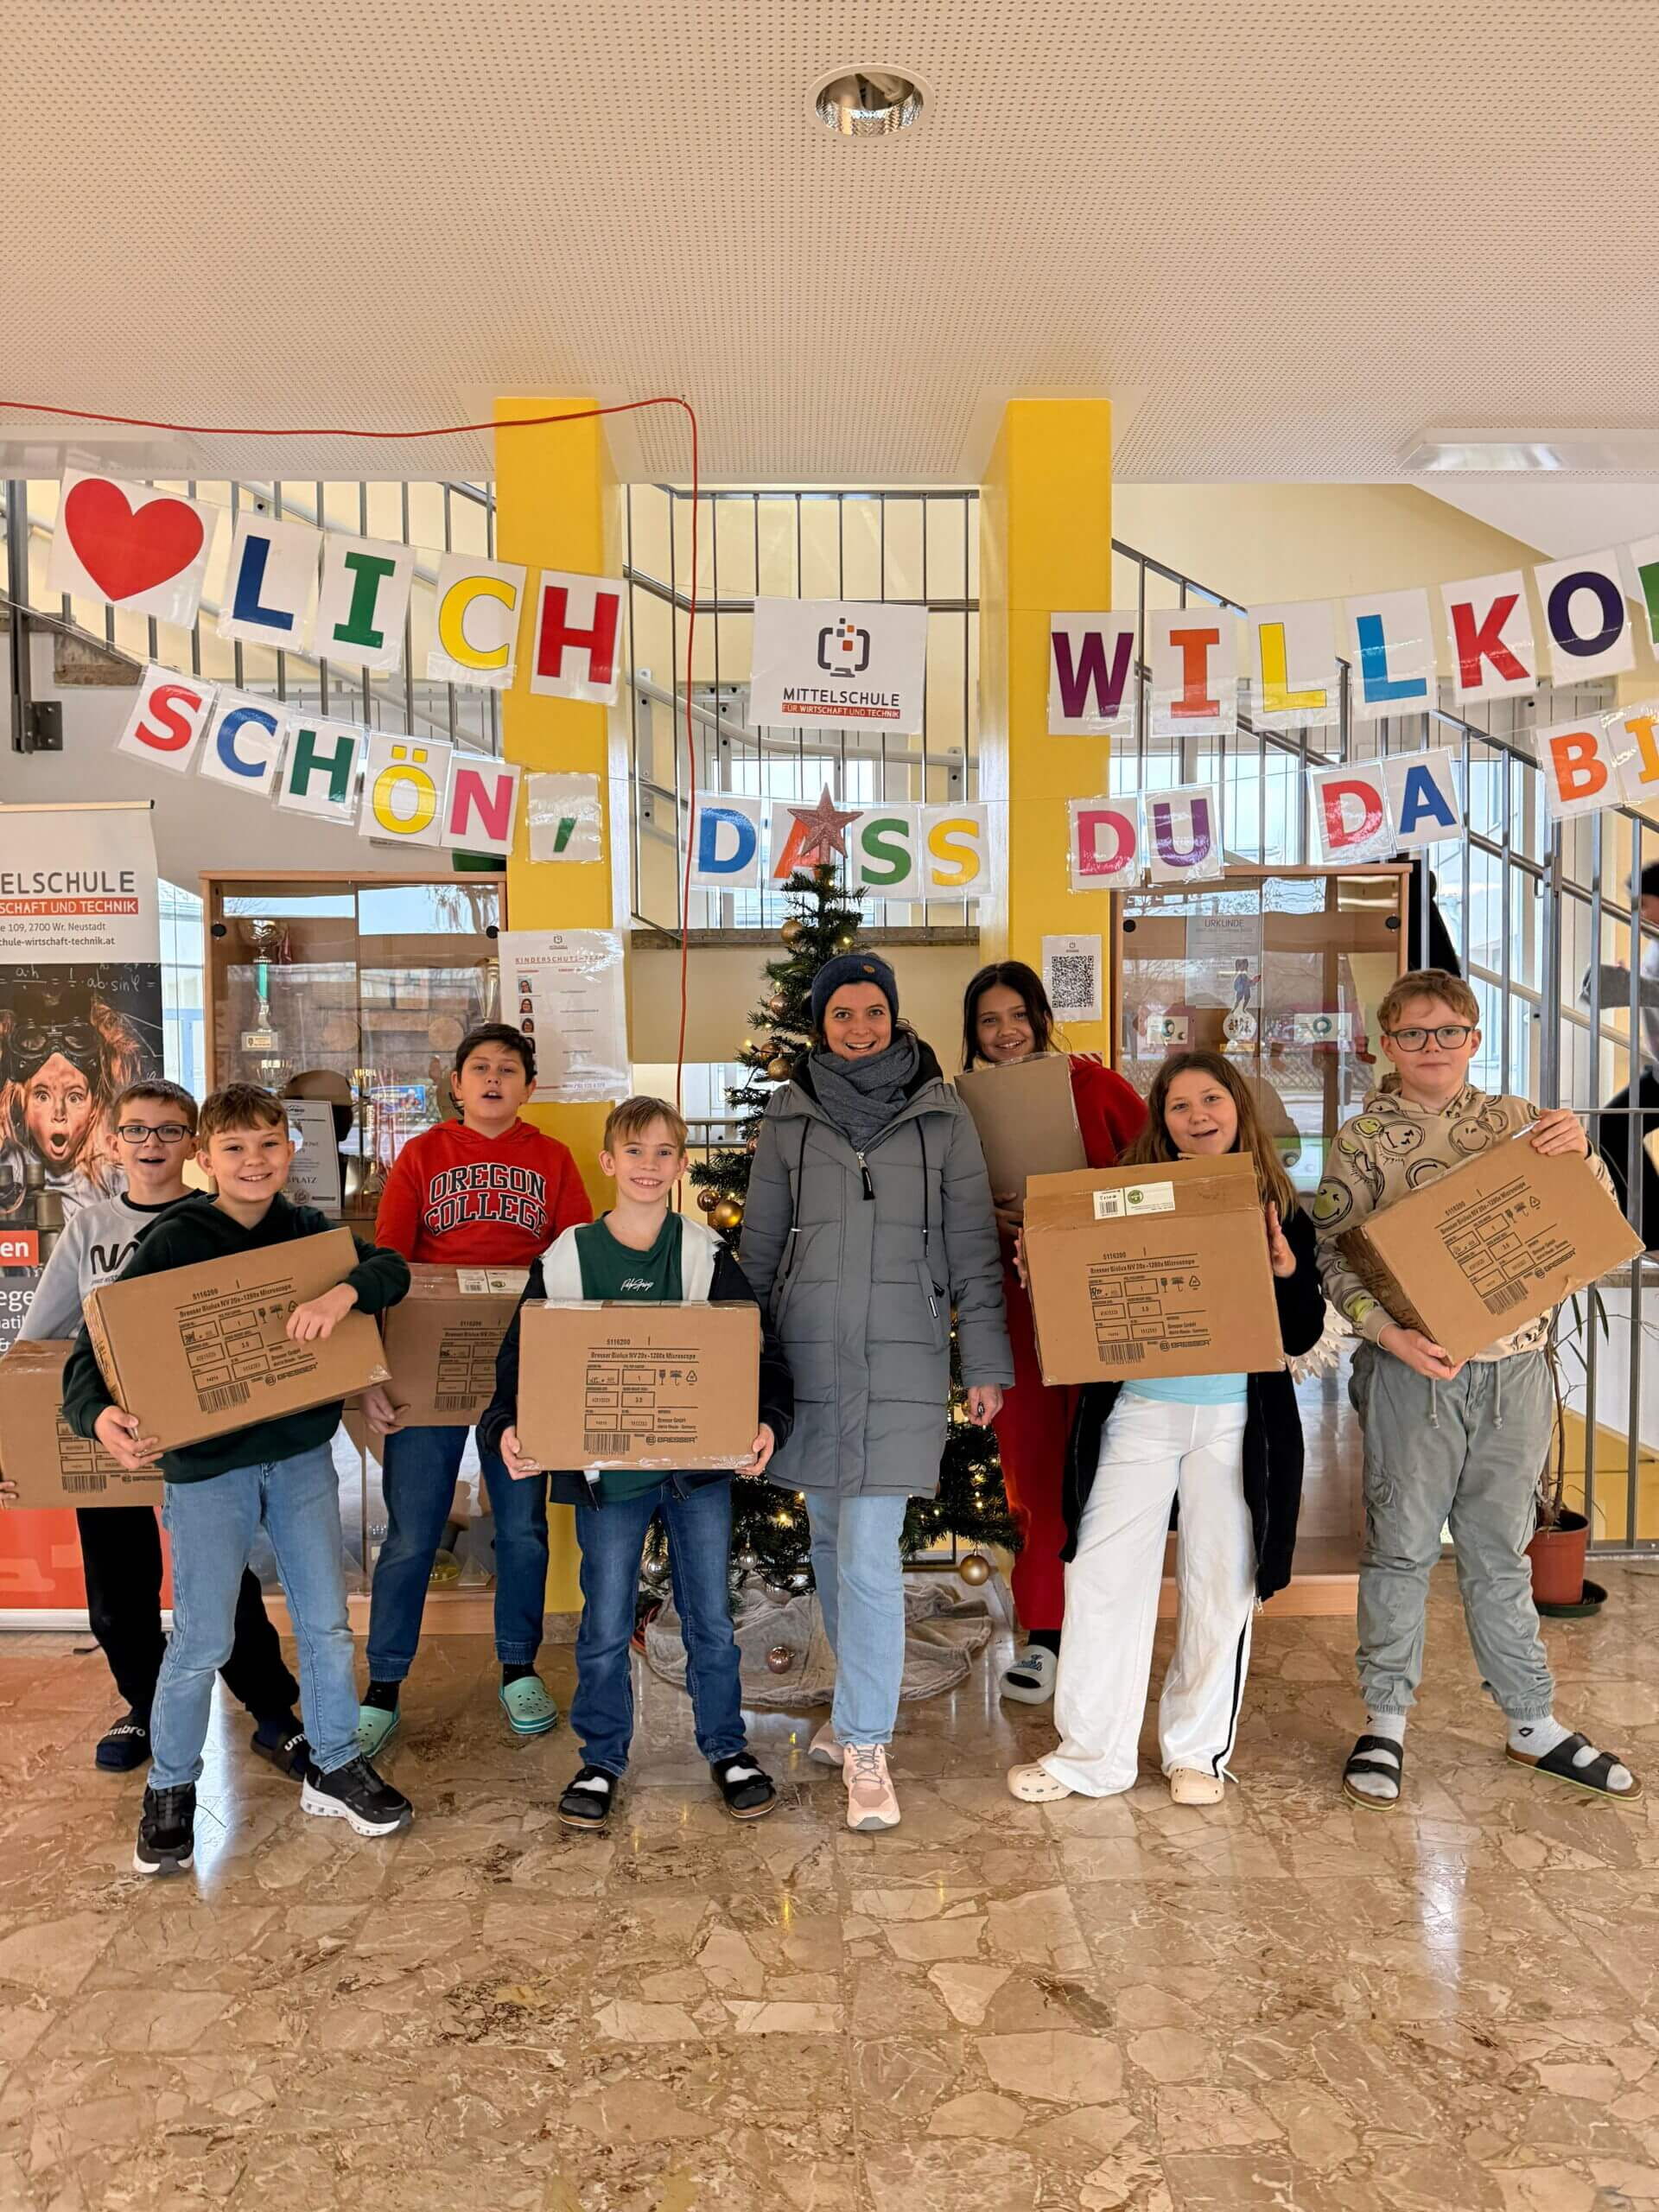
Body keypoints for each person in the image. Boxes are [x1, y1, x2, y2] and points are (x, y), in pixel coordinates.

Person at [60, 1083, 413, 1877]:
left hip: (300, 1459)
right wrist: (97, 1415)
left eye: (269, 1145)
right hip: (207, 1472)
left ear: (291, 1151)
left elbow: (389, 1269)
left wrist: (343, 1294)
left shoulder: (307, 1231)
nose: (254, 1161)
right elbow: (96, 1345)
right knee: (201, 1638)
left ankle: (334, 1763)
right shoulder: (175, 1240)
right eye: (235, 1148)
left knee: (326, 1624)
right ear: (205, 1158)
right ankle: (171, 1786)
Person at [1314, 969, 1643, 1809]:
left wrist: (1583, 1154)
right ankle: (1385, 1722)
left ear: (1475, 1038)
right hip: (1411, 1374)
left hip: (1517, 1371)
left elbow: (1590, 1215)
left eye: (1449, 1031)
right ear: (1387, 1045)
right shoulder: (1362, 1140)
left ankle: (1531, 1719)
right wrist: (1387, 1335)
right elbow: (1333, 1258)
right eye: (1413, 1033)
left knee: (1500, 1552)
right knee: (1400, 1548)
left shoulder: (1522, 1123)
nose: (1432, 1046)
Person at [1007, 1051, 1325, 1807]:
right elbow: (1082, 1307)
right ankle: (1092, 1757)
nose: (1198, 1116)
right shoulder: (1124, 1196)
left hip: (1236, 1423)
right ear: (1162, 1120)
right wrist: (1044, 1272)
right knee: (1101, 1578)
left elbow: (1304, 1334)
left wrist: (1285, 1271)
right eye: (1180, 1106)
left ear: (1238, 1107)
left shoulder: (1279, 1206)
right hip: (1139, 1413)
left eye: (1212, 1099)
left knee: (1221, 1586)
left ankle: (1197, 1754)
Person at [739, 952, 1011, 1834]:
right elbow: (758, 1248)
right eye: (842, 1014)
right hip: (808, 1358)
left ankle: (865, 1742)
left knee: (866, 1553)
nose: (859, 1028)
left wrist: (984, 1363)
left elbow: (973, 1249)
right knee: (828, 1541)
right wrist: (742, 1366)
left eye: (873, 1011)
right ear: (820, 1025)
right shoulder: (791, 1115)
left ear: (894, 1016)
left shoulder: (942, 1115)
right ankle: (852, 1712)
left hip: (903, 1361)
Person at [480, 1096, 792, 1828]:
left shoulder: (707, 1256)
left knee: (711, 1618)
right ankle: (602, 1759)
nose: (649, 1165)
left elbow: (759, 1351)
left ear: (681, 1166)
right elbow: (521, 1361)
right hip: (606, 1480)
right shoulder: (567, 1257)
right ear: (608, 1161)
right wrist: (506, 1427)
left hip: (697, 1475)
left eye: (664, 1153)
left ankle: (727, 1748)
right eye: (635, 1151)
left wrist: (768, 1422)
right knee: (604, 1621)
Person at [3, 1078, 306, 1777]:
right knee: (118, 1590)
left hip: (205, 1437)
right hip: (112, 1431)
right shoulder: (88, 1229)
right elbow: (35, 1345)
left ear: (194, 1145)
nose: (151, 1144)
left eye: (169, 1130)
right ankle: (142, 1705)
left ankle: (271, 1711)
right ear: (113, 1143)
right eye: (136, 1130)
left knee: (224, 1584)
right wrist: (13, 1444)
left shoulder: (222, 1218)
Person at [359, 1023, 592, 1751]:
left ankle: (518, 1666)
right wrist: (373, 1373)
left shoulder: (552, 1159)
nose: (494, 1079)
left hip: (522, 1360)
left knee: (521, 1527)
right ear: (456, 1085)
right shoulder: (421, 1155)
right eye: (480, 1068)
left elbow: (575, 1260)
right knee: (411, 1531)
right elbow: (387, 1265)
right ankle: (384, 1682)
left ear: (529, 1087)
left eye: (509, 1069)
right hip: (428, 1358)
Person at [959, 959, 1147, 1703]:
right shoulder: (962, 1108)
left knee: (1111, 1464)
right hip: (1015, 1307)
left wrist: (1075, 1209)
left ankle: (1106, 1628)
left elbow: (1156, 1177)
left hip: (1106, 1300)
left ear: (1041, 1017)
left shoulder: (1096, 1087)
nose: (1006, 1032)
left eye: (1017, 1015)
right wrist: (987, 1215)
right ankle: (1045, 1636)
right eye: (988, 1021)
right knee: (1033, 1469)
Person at [1588, 859, 1659, 1246]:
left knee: (1611, 1127)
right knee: (1611, 1127)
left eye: (1644, 903)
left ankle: (1653, 1231)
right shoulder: (1655, 943)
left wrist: (1630, 987)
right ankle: (1652, 1231)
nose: (1640, 913)